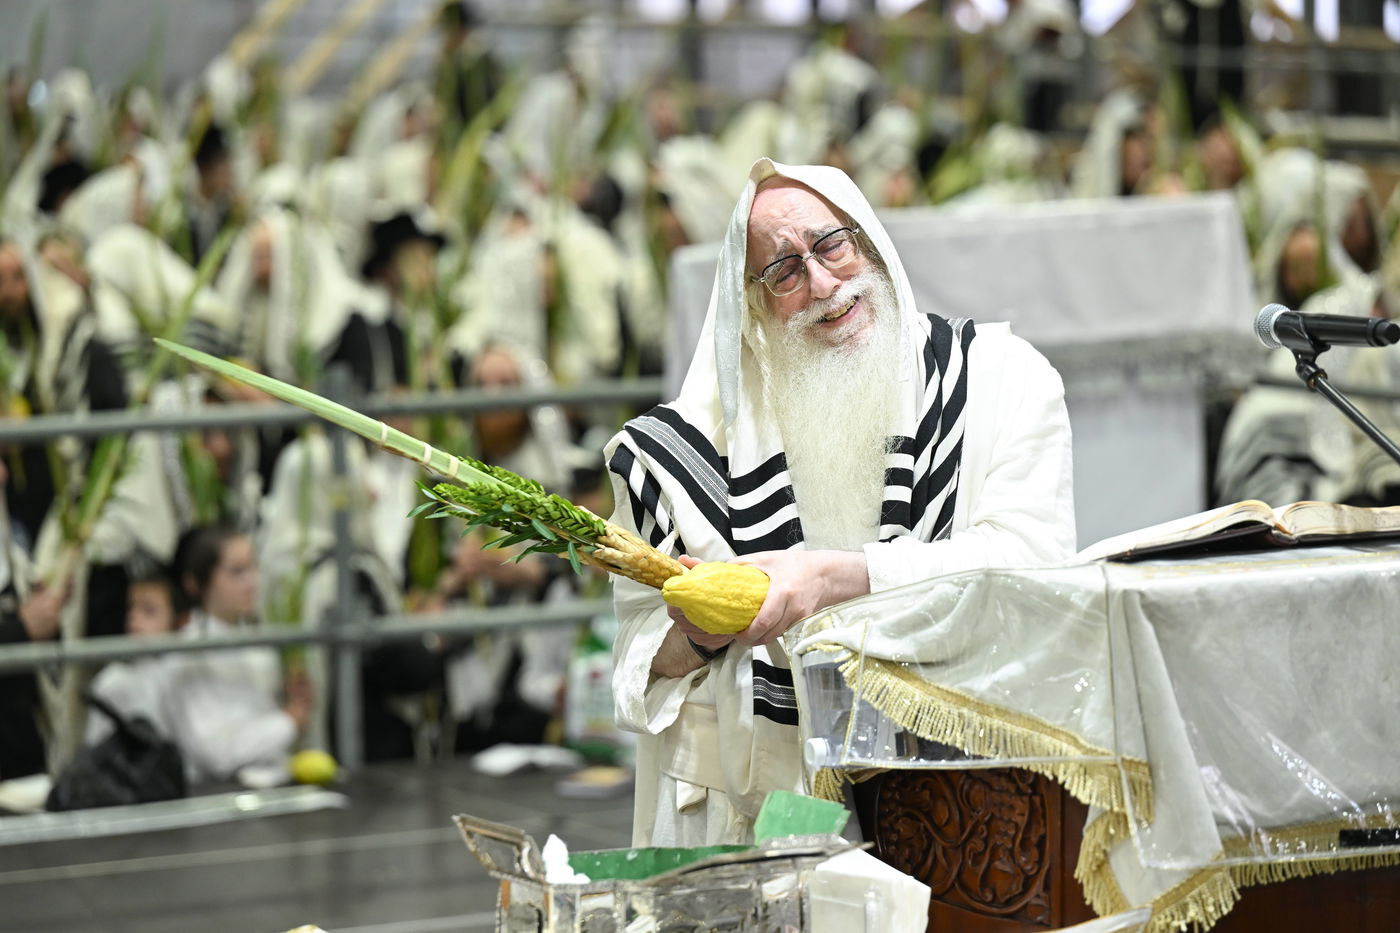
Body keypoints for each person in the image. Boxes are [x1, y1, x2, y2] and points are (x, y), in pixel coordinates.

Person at [604, 160, 1075, 846]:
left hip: (973, 804)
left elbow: (1035, 569)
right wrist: (698, 635)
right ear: (755, 301)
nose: (824, 285)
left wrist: (824, 577)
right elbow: (637, 663)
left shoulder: (1003, 382)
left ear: (871, 242)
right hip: (764, 826)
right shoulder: (675, 460)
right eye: (785, 272)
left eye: (831, 245)